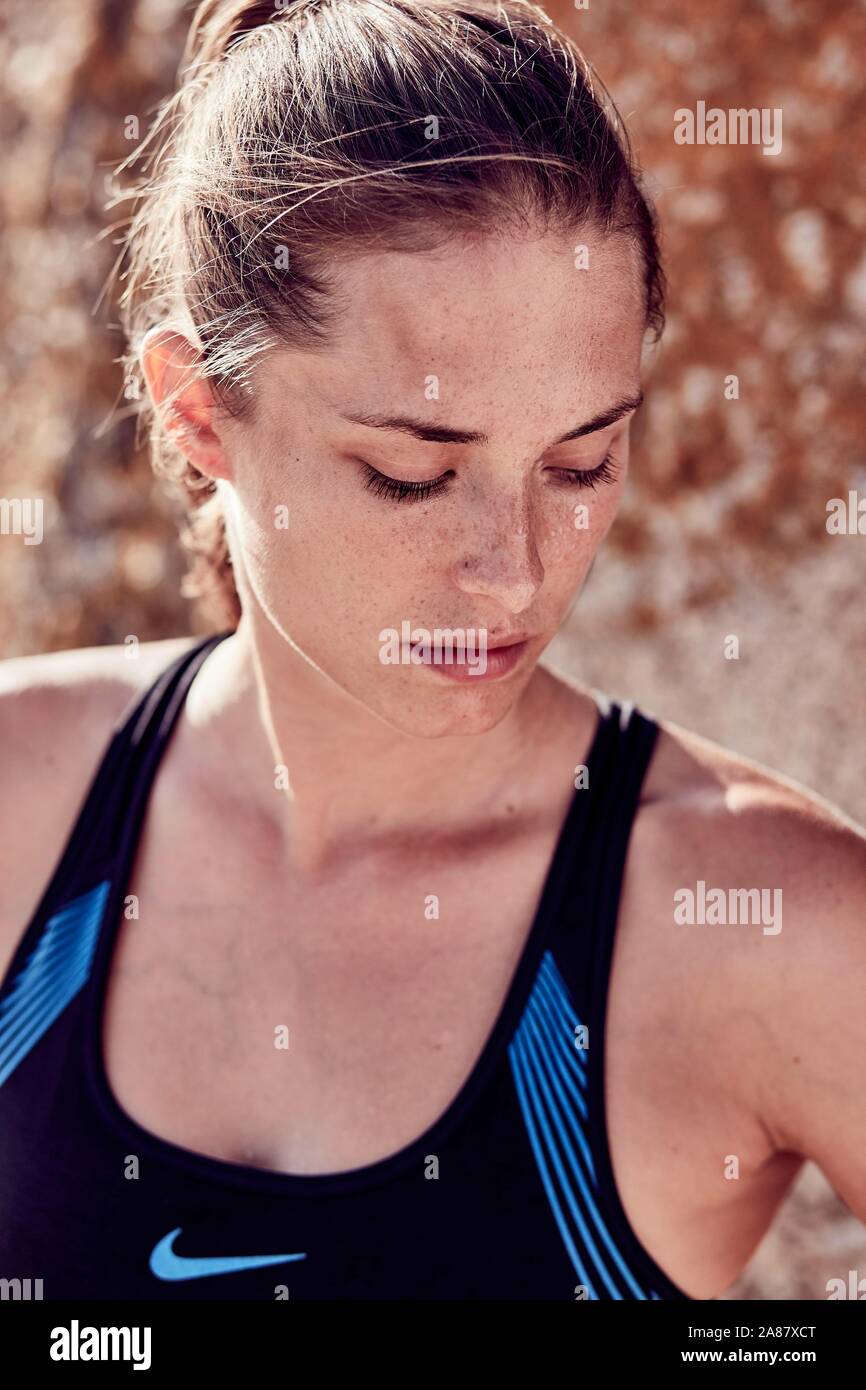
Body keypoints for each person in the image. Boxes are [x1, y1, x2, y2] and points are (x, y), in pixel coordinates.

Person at [0, 0, 863, 1303]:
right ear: (196, 414)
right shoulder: (18, 804)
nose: (514, 569)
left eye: (582, 461)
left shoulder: (770, 926)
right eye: (412, 472)